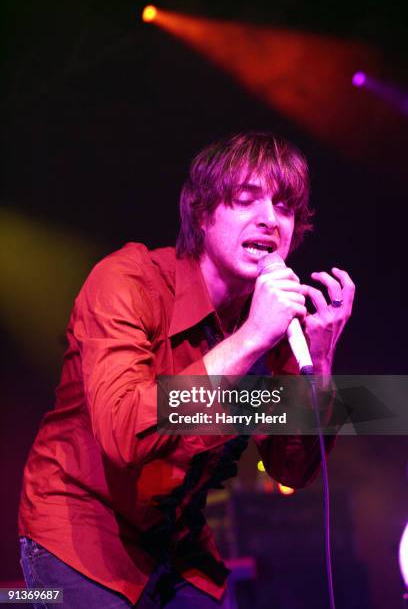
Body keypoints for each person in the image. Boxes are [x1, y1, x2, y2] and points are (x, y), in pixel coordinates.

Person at [18, 131, 355, 607]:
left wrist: (319, 362)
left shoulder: (271, 322)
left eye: (283, 207)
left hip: (177, 551)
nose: (268, 221)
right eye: (245, 200)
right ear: (201, 212)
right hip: (82, 538)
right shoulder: (128, 281)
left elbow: (291, 467)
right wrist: (251, 338)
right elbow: (123, 434)